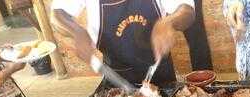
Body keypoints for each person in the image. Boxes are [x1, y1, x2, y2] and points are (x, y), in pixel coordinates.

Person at [51, 0, 196, 85]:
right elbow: (57, 14)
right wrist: (76, 31)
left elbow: (187, 10)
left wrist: (170, 21)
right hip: (117, 79)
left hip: (160, 73)